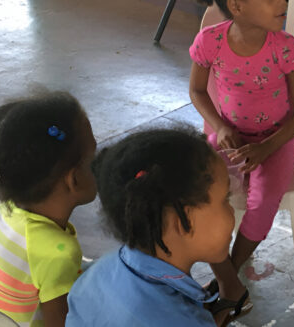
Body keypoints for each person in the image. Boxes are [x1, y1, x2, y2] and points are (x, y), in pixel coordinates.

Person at [188, 0, 294, 325]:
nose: (283, 1)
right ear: (236, 6)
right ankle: (226, 281)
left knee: (263, 199)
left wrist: (268, 147)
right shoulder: (211, 41)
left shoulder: (285, 48)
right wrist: (220, 126)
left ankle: (228, 277)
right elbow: (196, 91)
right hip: (227, 139)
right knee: (197, 191)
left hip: (275, 142)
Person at [65, 127, 236, 327]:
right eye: (226, 199)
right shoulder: (182, 322)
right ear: (184, 222)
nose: (233, 212)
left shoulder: (99, 271)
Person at [0, 92, 97, 327]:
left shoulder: (2, 212)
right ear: (73, 179)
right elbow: (60, 323)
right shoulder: (58, 253)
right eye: (93, 159)